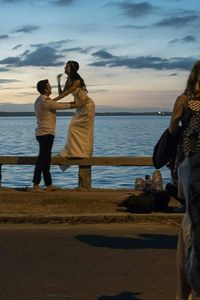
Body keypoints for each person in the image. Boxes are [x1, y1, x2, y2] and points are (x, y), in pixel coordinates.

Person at [168, 61, 200, 299]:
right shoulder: (184, 100)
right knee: (190, 221)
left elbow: (172, 130)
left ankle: (184, 293)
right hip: (192, 165)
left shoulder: (183, 100)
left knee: (189, 220)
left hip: (190, 164)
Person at [53, 60, 95, 170]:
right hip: (79, 105)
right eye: (65, 66)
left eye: (67, 67)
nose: (64, 68)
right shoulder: (69, 81)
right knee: (73, 128)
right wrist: (58, 82)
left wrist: (52, 102)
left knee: (76, 128)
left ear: (72, 68)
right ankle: (75, 151)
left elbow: (67, 93)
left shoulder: (77, 81)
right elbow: (62, 93)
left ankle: (83, 152)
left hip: (87, 105)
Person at [32, 79, 71, 192]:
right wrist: (79, 103)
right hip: (46, 133)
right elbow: (63, 106)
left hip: (42, 133)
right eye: (49, 86)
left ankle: (48, 185)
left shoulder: (39, 100)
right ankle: (35, 185)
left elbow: (54, 103)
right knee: (42, 159)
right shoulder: (46, 102)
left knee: (46, 159)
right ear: (45, 89)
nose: (51, 88)